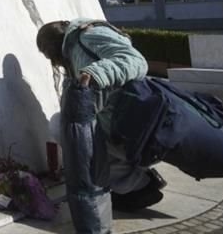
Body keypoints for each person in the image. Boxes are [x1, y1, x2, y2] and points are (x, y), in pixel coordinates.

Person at [36, 19, 166, 221]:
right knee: (65, 127)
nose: (50, 59)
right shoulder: (73, 51)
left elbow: (136, 61)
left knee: (63, 128)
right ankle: (136, 179)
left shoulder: (86, 36)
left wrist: (95, 73)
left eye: (46, 53)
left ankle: (139, 185)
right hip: (116, 124)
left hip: (131, 124)